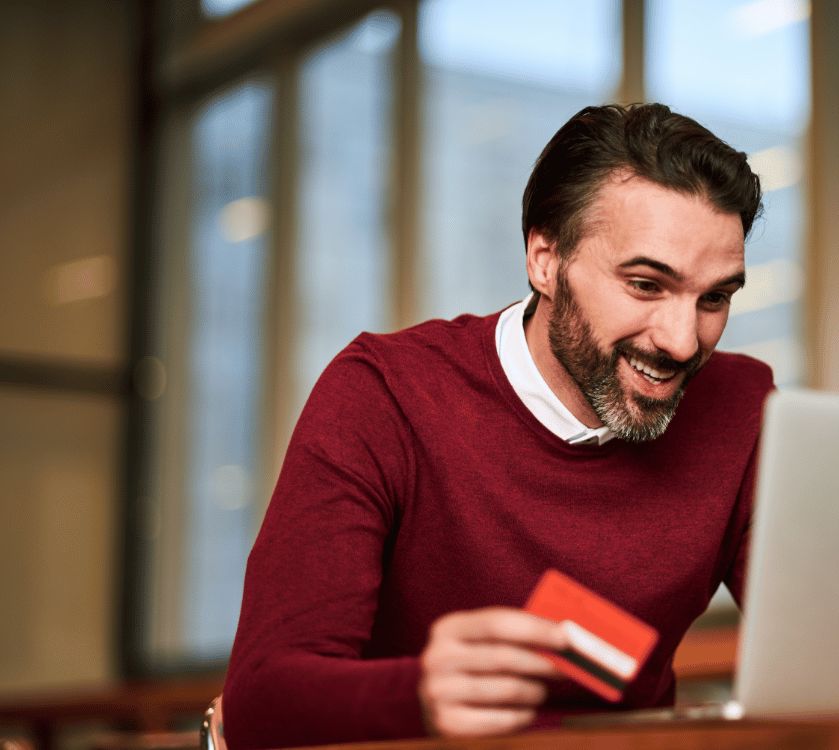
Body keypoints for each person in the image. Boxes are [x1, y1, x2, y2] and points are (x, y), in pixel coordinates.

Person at [222, 103, 772, 748]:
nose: (683, 342)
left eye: (715, 298)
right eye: (647, 285)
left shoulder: (740, 407)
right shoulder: (385, 394)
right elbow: (262, 699)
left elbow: (828, 648)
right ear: (545, 258)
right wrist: (420, 695)